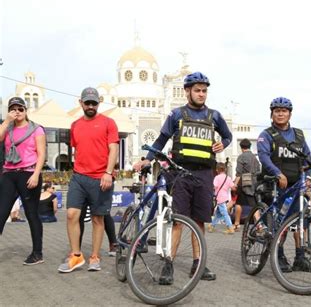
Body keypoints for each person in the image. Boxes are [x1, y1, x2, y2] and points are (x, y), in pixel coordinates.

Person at [134, 72, 232, 284]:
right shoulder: (176, 114)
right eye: (197, 90)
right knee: (177, 221)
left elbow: (228, 136)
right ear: (187, 91)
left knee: (199, 223)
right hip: (181, 174)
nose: (201, 94)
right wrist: (148, 160)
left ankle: (198, 264)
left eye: (204, 90)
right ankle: (168, 264)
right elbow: (160, 140)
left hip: (205, 175)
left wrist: (223, 144)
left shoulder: (214, 116)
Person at [58, 87, 119, 273]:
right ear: (81, 103)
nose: (91, 106)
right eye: (87, 102)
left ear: (98, 103)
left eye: (94, 103)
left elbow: (113, 149)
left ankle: (95, 257)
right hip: (79, 177)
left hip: (101, 178)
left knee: (97, 219)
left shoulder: (109, 123)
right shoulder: (75, 125)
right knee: (71, 215)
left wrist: (108, 173)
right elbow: (79, 148)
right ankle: (76, 256)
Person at [257, 96, 311, 273]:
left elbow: (307, 158)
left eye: (284, 111)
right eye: (277, 111)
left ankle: (300, 258)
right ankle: (279, 254)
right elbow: (263, 156)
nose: (280, 114)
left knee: (301, 219)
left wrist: (307, 178)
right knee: (280, 221)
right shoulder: (266, 135)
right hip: (275, 184)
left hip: (296, 184)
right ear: (272, 115)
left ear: (290, 114)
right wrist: (277, 173)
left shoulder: (299, 135)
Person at [0, 96, 46, 265]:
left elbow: (41, 154)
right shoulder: (7, 127)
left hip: (29, 173)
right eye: (13, 109)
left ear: (26, 111)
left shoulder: (36, 129)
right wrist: (6, 121)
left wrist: (36, 174)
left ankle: (37, 253)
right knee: (1, 213)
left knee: (32, 213)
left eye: (20, 109)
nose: (17, 112)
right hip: (9, 174)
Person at [232, 138, 261, 231]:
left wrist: (235, 184)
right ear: (249, 146)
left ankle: (237, 223)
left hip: (244, 184)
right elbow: (259, 170)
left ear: (241, 148)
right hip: (254, 183)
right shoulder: (255, 158)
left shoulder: (241, 157)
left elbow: (238, 173)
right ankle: (258, 225)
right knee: (253, 204)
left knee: (239, 203)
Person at [208, 162, 235, 234]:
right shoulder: (228, 178)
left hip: (220, 198)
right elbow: (233, 187)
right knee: (218, 213)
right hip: (225, 198)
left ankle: (230, 228)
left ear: (217, 170)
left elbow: (214, 186)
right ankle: (212, 226)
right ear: (225, 169)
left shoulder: (217, 178)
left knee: (225, 213)